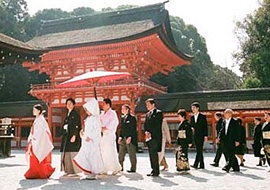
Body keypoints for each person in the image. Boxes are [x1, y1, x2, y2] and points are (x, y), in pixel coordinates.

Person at [73, 98, 104, 180]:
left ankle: (93, 172)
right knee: (86, 155)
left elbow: (97, 131)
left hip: (92, 141)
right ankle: (88, 171)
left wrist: (91, 137)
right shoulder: (89, 118)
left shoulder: (96, 119)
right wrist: (83, 132)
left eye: (88, 110)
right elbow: (86, 129)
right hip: (86, 140)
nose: (86, 112)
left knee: (92, 156)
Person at [24, 104, 55, 179]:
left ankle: (38, 172)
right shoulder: (38, 119)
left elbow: (41, 132)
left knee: (38, 156)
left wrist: (34, 138)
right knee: (35, 157)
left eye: (34, 110)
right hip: (35, 140)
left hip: (39, 141)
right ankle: (37, 172)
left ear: (39, 111)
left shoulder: (41, 120)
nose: (33, 111)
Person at [100, 98, 122, 175]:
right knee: (103, 151)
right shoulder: (101, 114)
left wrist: (105, 128)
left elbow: (114, 122)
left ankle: (115, 168)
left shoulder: (112, 113)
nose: (102, 105)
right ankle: (104, 168)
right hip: (102, 135)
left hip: (109, 134)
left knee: (111, 151)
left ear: (108, 105)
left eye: (103, 104)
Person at [60, 98, 82, 176]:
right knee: (66, 153)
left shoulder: (75, 114)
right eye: (67, 104)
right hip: (67, 136)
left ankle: (74, 171)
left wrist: (75, 135)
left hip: (72, 136)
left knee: (73, 152)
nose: (68, 105)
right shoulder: (68, 114)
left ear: (74, 105)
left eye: (70, 103)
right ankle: (68, 170)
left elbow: (77, 126)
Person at [144, 98, 163, 177]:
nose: (147, 106)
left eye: (148, 105)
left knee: (154, 154)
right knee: (151, 154)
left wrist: (150, 132)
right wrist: (146, 132)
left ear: (153, 104)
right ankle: (153, 169)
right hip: (149, 137)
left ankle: (156, 171)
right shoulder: (147, 114)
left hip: (155, 136)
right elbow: (145, 125)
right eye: (146, 105)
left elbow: (157, 125)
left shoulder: (158, 113)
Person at [118, 104, 138, 173]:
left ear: (127, 110)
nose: (122, 110)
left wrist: (130, 137)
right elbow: (121, 129)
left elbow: (133, 129)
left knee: (131, 153)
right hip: (123, 138)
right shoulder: (123, 118)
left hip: (130, 139)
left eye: (123, 109)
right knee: (121, 153)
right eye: (121, 109)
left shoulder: (132, 118)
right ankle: (120, 167)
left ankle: (133, 168)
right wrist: (120, 136)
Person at [220, 108, 240, 173]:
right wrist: (219, 137)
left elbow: (237, 131)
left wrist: (237, 140)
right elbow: (222, 130)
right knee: (228, 153)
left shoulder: (235, 121)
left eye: (226, 113)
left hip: (232, 139)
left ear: (230, 114)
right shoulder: (224, 121)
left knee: (231, 153)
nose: (224, 114)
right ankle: (236, 167)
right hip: (225, 139)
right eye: (224, 113)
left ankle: (227, 166)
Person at [190, 102, 208, 169]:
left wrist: (206, 135)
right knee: (199, 150)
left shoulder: (202, 116)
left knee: (199, 150)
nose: (193, 109)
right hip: (195, 135)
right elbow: (191, 126)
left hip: (201, 135)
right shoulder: (192, 117)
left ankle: (196, 164)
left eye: (194, 108)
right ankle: (201, 165)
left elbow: (205, 126)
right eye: (192, 108)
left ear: (198, 108)